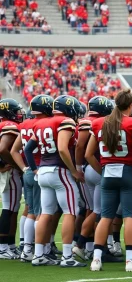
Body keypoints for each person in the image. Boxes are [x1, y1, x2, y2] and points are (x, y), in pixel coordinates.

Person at [88, 89, 132, 272]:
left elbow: (89, 154)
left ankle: (96, 259)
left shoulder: (99, 123)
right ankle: (130, 260)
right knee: (129, 215)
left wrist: (102, 170)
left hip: (108, 173)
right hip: (128, 173)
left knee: (105, 216)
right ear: (131, 105)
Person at [24, 95, 85, 267]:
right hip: (60, 170)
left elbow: (28, 150)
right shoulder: (65, 121)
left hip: (43, 171)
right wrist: (74, 171)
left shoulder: (39, 123)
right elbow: (62, 149)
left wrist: (35, 169)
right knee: (70, 212)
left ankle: (38, 255)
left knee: (45, 213)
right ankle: (67, 257)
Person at [11, 95, 53, 262]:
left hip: (29, 171)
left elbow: (15, 150)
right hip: (41, 169)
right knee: (41, 212)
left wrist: (24, 168)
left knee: (30, 210)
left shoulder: (24, 125)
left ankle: (26, 248)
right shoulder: (43, 124)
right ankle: (38, 250)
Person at [73, 96, 114, 261]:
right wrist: (78, 167)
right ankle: (83, 245)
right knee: (99, 211)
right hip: (95, 167)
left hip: (88, 169)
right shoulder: (93, 122)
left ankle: (89, 247)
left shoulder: (84, 121)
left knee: (91, 209)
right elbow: (80, 146)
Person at [0, 99, 23, 259]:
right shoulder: (9, 126)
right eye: (17, 111)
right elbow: (2, 148)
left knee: (11, 209)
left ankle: (9, 245)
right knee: (9, 209)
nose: (19, 114)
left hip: (4, 170)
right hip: (10, 172)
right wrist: (14, 164)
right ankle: (3, 247)